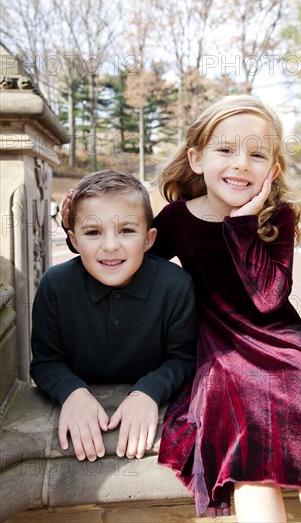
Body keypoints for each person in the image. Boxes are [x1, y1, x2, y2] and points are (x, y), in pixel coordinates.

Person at [61, 97, 301, 522]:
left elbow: (268, 297)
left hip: (285, 352)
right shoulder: (175, 220)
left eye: (257, 154)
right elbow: (127, 262)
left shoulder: (275, 216)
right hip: (223, 355)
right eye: (226, 150)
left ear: (272, 170)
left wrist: (243, 222)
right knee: (249, 462)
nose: (241, 164)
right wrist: (74, 222)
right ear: (197, 158)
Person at [30, 170, 197, 464]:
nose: (110, 246)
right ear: (74, 239)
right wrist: (71, 393)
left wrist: (148, 393)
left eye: (127, 231)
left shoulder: (176, 285)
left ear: (149, 239)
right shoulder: (55, 285)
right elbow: (46, 361)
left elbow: (184, 358)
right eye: (93, 232)